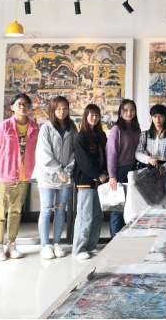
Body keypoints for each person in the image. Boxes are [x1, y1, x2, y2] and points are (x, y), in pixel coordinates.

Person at [0, 93, 39, 261]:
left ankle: (12, 244)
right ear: (12, 107)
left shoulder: (35, 128)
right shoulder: (4, 127)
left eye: (25, 104)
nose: (22, 107)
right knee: (0, 214)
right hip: (4, 177)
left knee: (16, 212)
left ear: (30, 107)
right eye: (19, 104)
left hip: (24, 177)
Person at [34, 96, 76, 260]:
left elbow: (76, 151)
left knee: (60, 210)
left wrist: (67, 170)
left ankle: (57, 242)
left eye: (65, 108)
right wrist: (59, 170)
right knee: (46, 211)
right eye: (58, 108)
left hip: (65, 177)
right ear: (52, 110)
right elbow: (44, 154)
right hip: (48, 177)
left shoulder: (72, 127)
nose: (62, 111)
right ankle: (45, 245)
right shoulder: (46, 128)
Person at [73, 104, 108, 260]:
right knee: (85, 217)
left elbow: (106, 155)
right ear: (86, 116)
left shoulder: (101, 135)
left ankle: (91, 246)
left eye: (97, 115)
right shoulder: (81, 136)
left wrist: (105, 173)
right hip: (86, 182)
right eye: (91, 115)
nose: (94, 118)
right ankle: (78, 249)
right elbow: (84, 161)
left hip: (100, 183)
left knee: (98, 216)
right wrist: (99, 174)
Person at [107, 99, 140, 239]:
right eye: (126, 110)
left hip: (133, 171)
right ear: (121, 112)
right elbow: (111, 153)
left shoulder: (136, 129)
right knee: (117, 209)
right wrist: (112, 175)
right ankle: (114, 241)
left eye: (132, 110)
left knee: (130, 208)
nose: (129, 113)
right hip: (119, 171)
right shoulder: (117, 129)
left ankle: (126, 239)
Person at [136, 104, 166, 207]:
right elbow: (138, 153)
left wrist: (165, 166)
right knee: (147, 197)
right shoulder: (145, 134)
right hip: (150, 167)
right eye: (154, 116)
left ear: (165, 117)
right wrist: (148, 159)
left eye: (160, 116)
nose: (157, 119)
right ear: (151, 117)